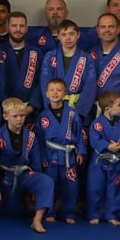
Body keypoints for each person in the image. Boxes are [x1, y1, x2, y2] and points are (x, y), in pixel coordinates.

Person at [0, 98, 52, 233]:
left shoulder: (31, 136)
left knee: (46, 181)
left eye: (22, 116)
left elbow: (36, 162)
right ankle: (20, 202)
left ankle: (37, 219)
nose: (19, 119)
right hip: (7, 178)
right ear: (5, 116)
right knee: (12, 213)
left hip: (25, 175)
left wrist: (36, 188)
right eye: (15, 116)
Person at [37, 78, 85, 225]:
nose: (55, 93)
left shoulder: (72, 113)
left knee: (71, 185)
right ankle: (49, 212)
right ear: (46, 94)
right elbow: (39, 140)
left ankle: (69, 213)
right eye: (52, 90)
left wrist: (80, 152)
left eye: (59, 90)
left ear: (65, 94)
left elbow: (79, 133)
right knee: (50, 184)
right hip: (50, 154)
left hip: (68, 155)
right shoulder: (43, 116)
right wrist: (42, 158)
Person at [40, 19, 97, 122]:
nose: (68, 38)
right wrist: (52, 109)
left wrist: (79, 113)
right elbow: (45, 84)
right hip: (54, 107)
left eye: (71, 34)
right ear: (58, 36)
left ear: (78, 35)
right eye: (63, 34)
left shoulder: (87, 59)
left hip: (77, 109)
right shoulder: (49, 56)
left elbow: (90, 87)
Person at [88, 90, 120, 226]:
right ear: (108, 109)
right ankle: (95, 214)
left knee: (116, 189)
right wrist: (108, 146)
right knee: (96, 188)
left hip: (116, 161)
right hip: (100, 161)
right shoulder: (97, 124)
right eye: (119, 105)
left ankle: (112, 215)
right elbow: (95, 141)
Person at [2, 12, 43, 115]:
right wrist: (9, 108)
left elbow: (41, 82)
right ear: (7, 28)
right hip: (6, 111)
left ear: (26, 28)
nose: (18, 29)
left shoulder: (36, 53)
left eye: (22, 26)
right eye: (14, 25)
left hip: (31, 111)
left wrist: (30, 107)